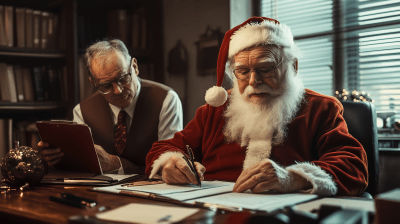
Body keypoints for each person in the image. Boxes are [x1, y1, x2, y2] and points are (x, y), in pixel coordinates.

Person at [145, 17, 368, 196]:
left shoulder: (321, 109)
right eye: (242, 71)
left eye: (266, 68)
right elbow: (161, 150)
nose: (252, 81)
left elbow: (353, 165)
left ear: (293, 67)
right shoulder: (214, 110)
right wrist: (170, 164)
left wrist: (293, 178)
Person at [39, 39, 183, 174]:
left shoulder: (166, 100)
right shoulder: (82, 111)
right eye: (106, 85)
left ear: (135, 67)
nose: (118, 90)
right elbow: (82, 167)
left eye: (123, 78)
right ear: (93, 82)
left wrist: (115, 163)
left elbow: (168, 167)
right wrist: (56, 160)